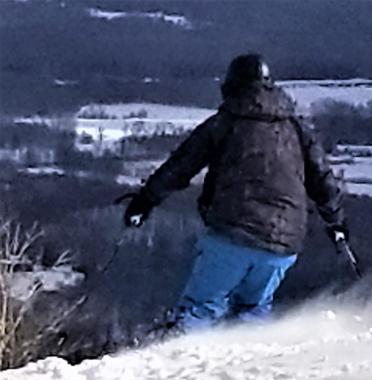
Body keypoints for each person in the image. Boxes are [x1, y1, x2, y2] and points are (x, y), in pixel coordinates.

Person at [122, 53, 347, 330]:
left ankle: (170, 358)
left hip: (233, 230)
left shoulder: (224, 122)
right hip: (285, 242)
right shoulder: (297, 127)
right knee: (252, 311)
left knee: (200, 309)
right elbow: (324, 180)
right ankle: (241, 363)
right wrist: (336, 223)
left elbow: (180, 166)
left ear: (231, 85)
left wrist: (144, 202)